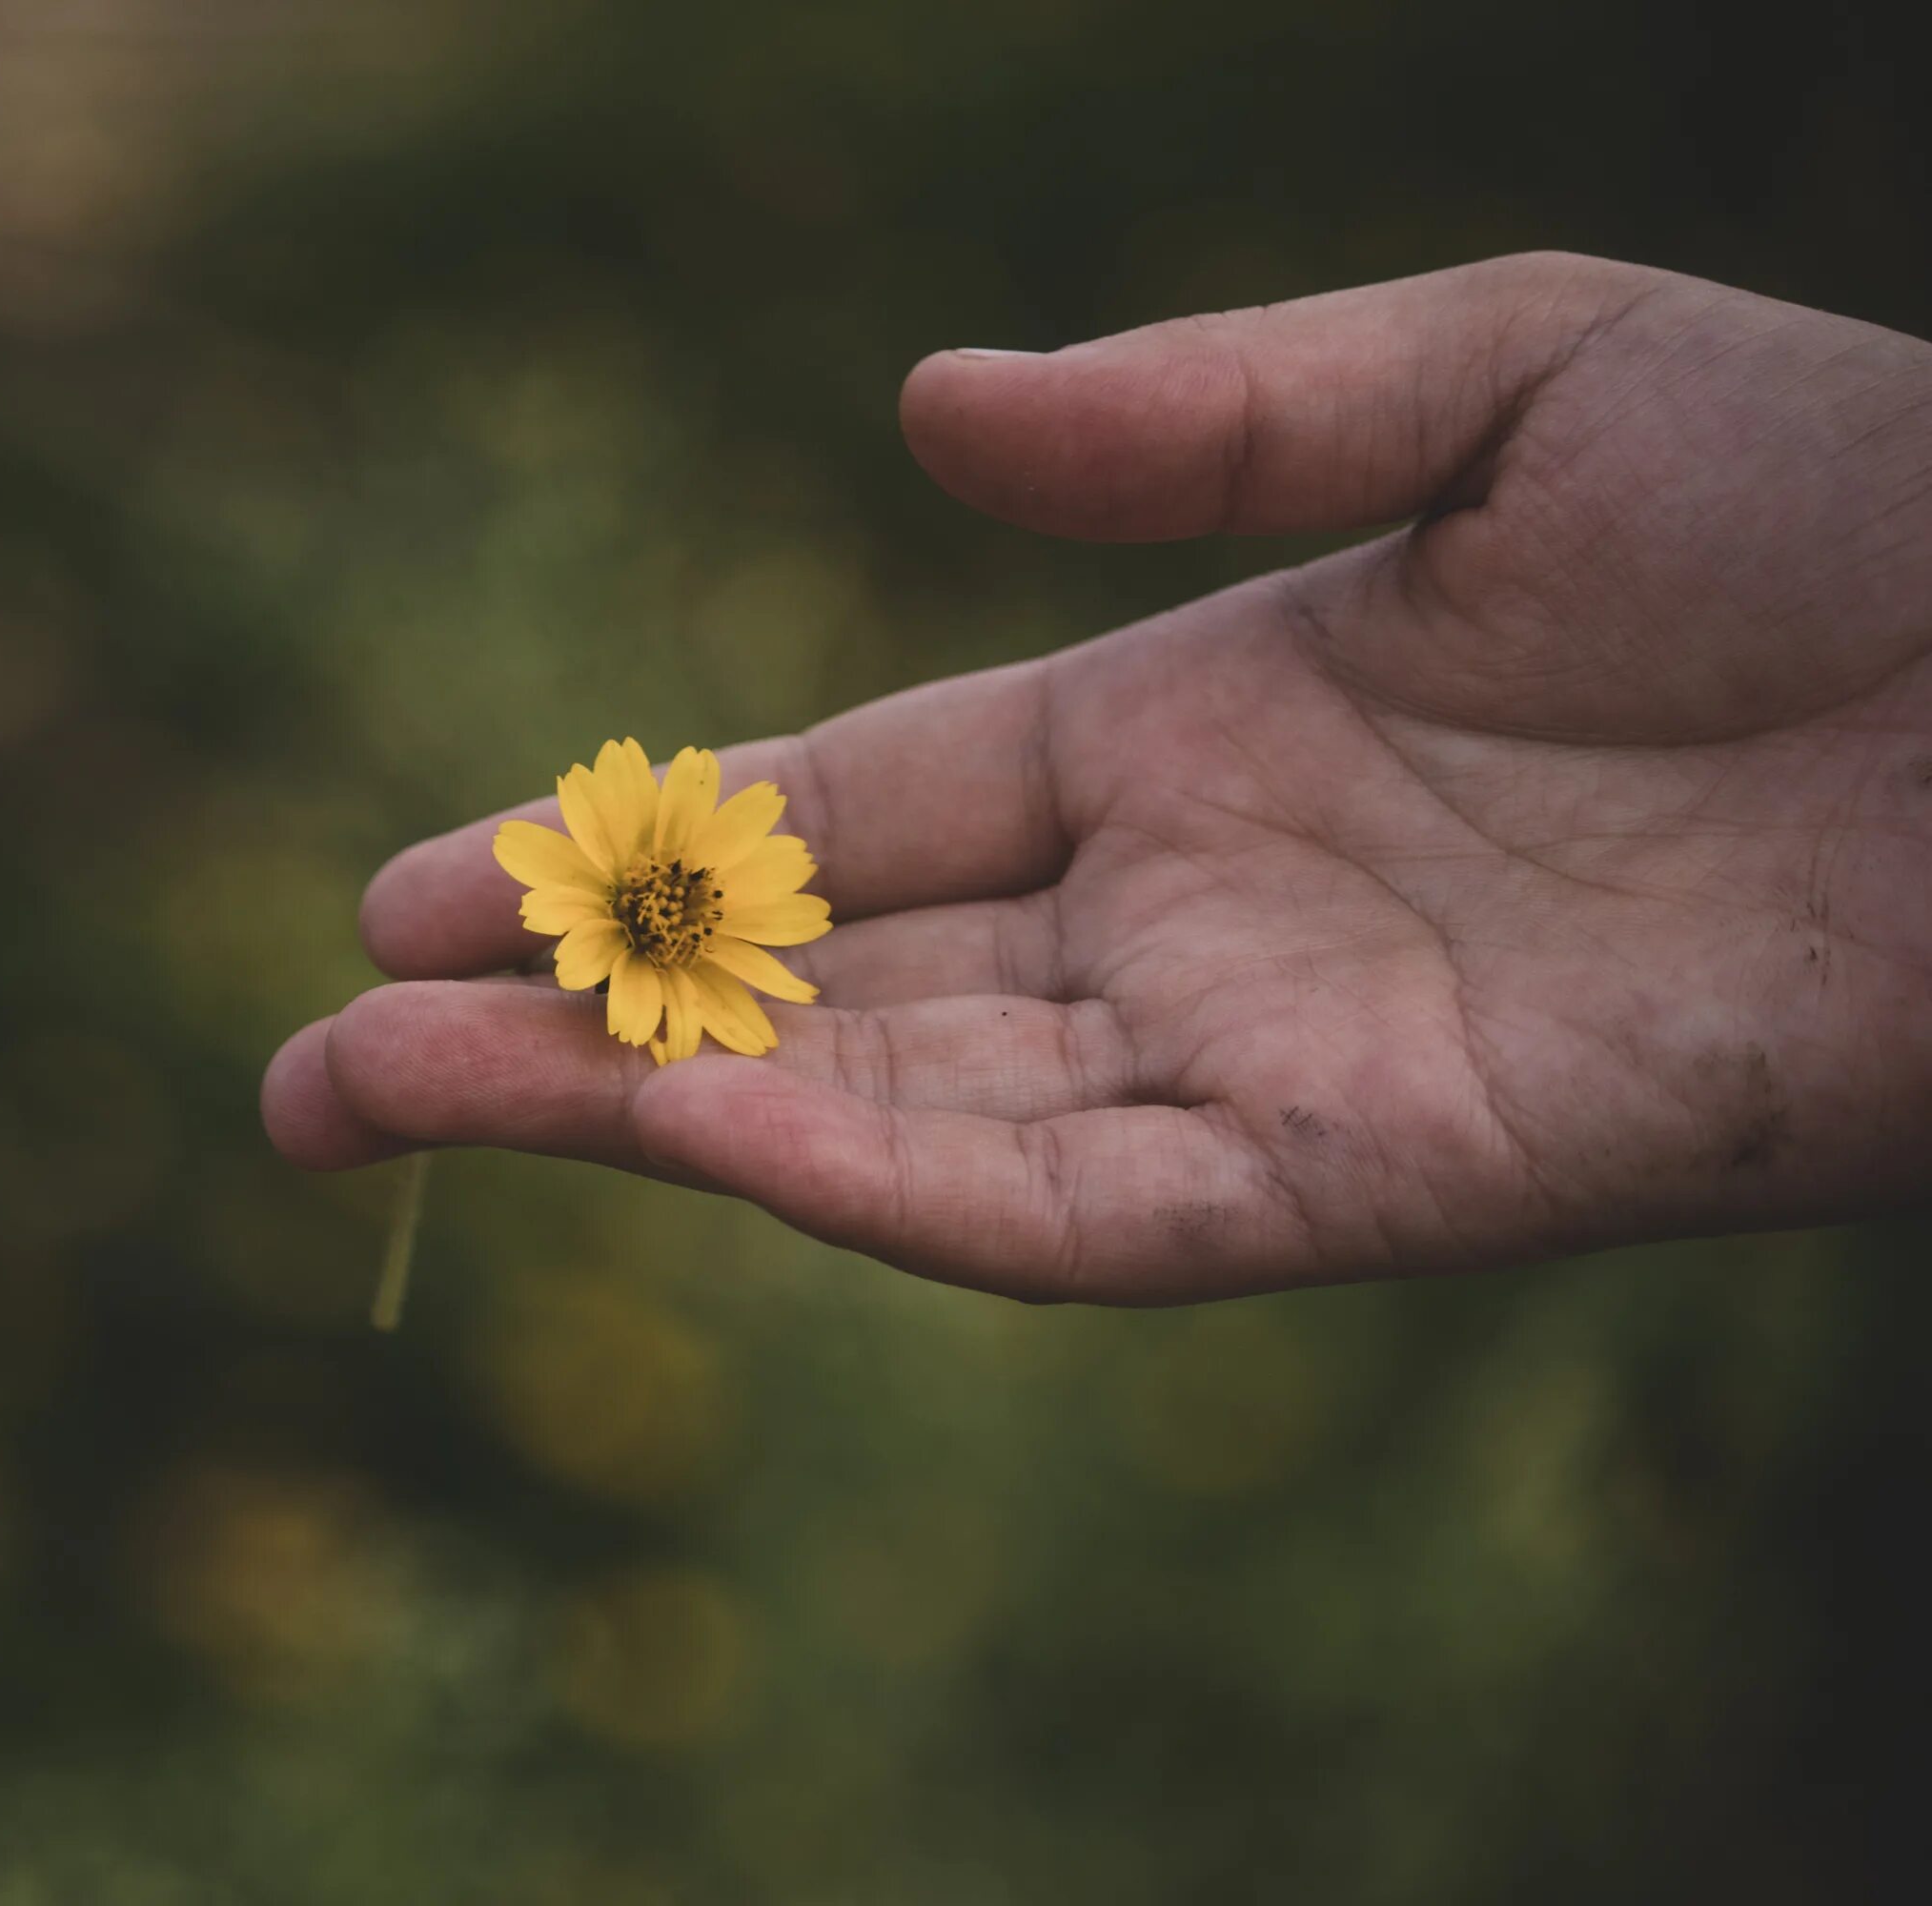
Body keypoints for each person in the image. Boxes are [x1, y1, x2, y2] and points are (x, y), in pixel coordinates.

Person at [261, 252, 1932, 1303]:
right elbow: (659, 918)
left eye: (679, 900)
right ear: (641, 893)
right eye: (666, 899)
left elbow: (727, 924)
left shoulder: (696, 931)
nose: (676, 902)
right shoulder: (626, 910)